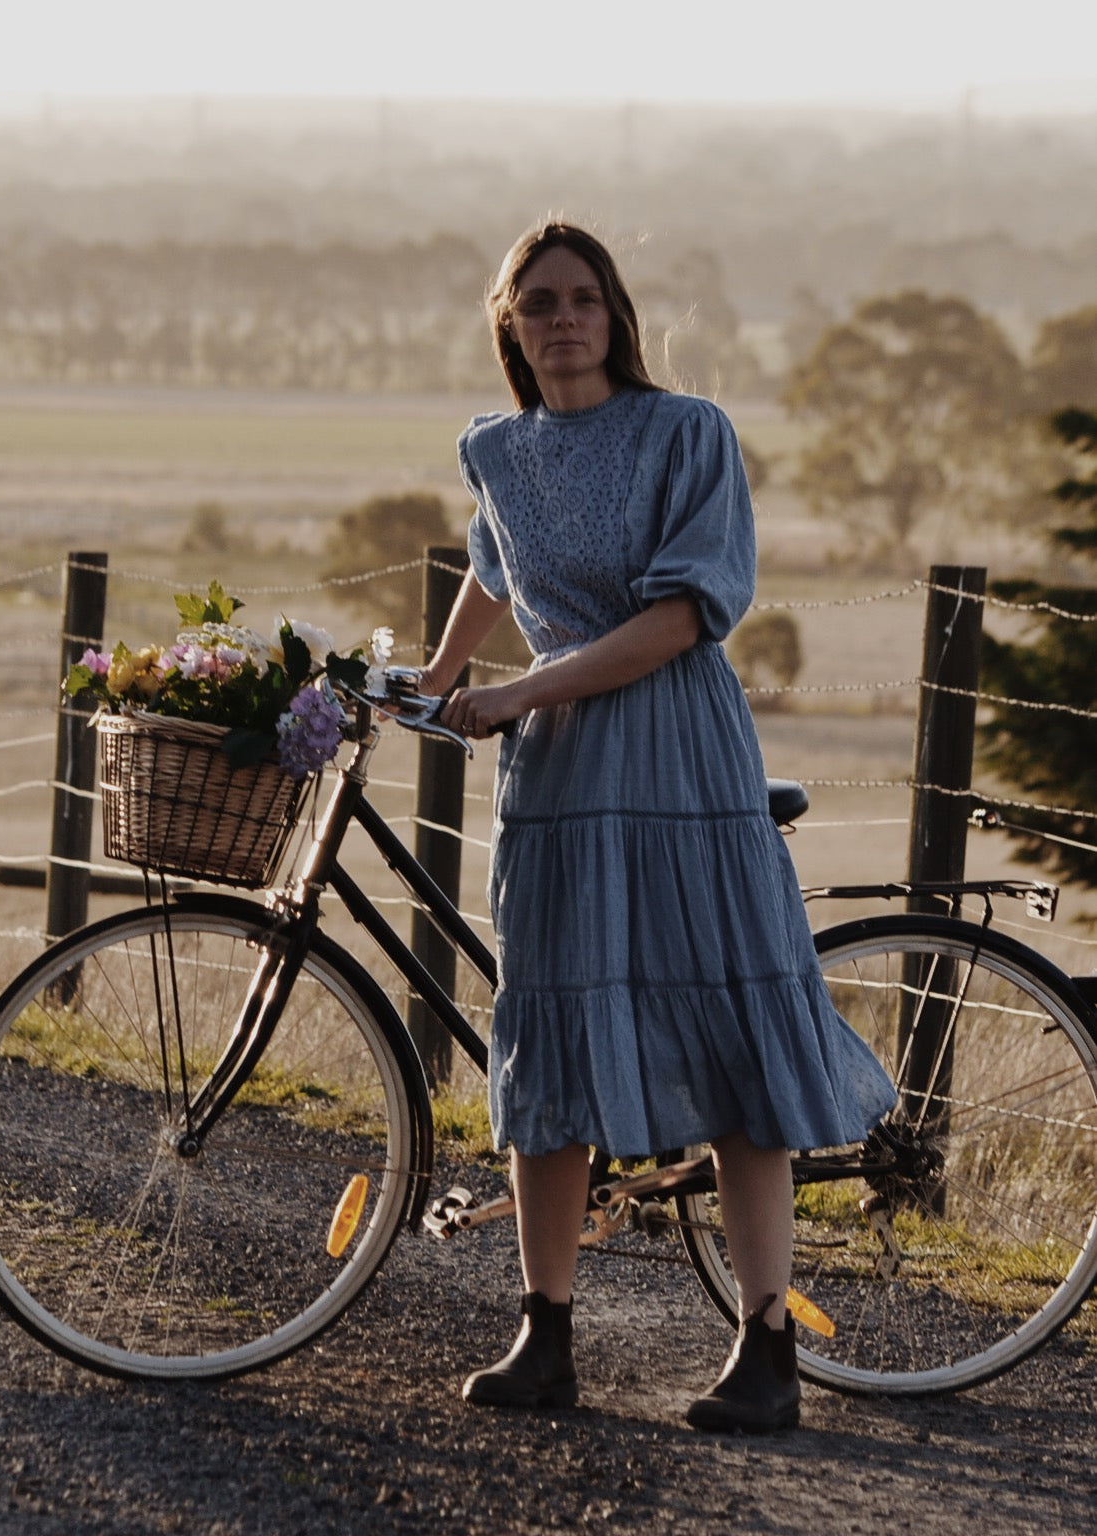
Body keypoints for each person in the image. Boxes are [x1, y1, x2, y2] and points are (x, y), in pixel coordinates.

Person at [418, 221, 896, 1434]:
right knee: (551, 1040)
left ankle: (766, 1343)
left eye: (583, 298)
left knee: (730, 1040)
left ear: (615, 313)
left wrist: (519, 688)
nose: (563, 318)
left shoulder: (687, 432)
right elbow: (494, 563)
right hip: (560, 785)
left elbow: (687, 615)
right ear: (509, 322)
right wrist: (433, 675)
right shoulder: (494, 449)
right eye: (538, 303)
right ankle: (544, 1333)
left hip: (676, 757)